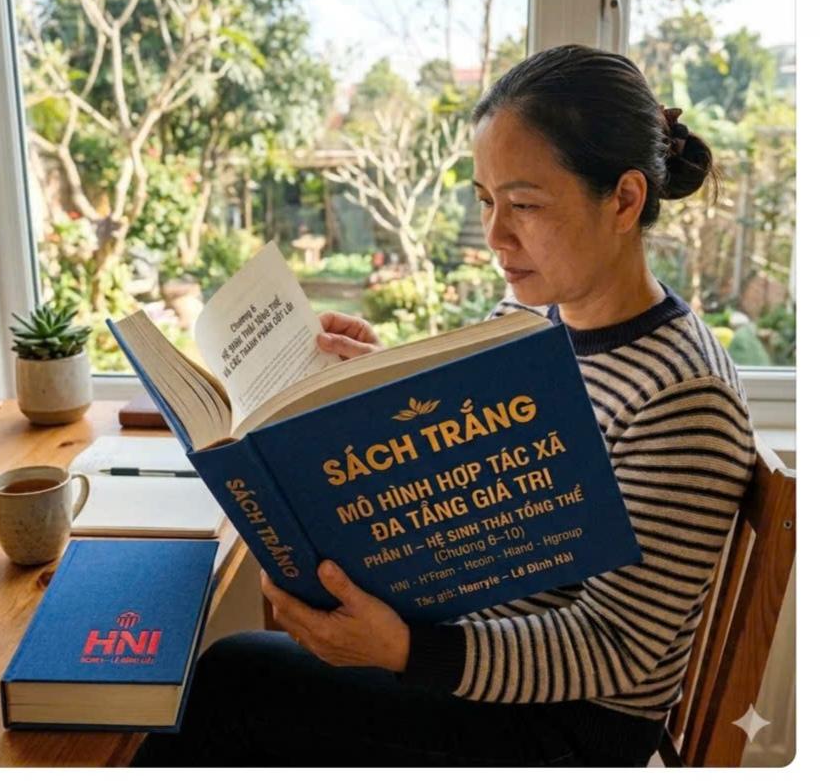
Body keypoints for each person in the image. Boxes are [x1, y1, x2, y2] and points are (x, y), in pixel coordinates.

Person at [132, 44, 756, 767]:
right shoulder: (531, 321)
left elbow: (615, 647)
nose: (495, 236)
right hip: (477, 657)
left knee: (231, 682)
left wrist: (406, 650)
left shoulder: (683, 394)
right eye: (486, 201)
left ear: (623, 200)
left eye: (525, 205)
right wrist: (371, 383)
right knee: (231, 676)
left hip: (563, 725)